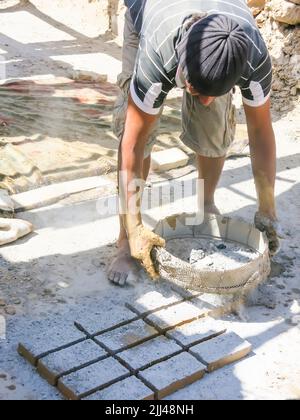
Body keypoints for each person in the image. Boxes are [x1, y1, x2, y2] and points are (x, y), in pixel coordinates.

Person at [108, 0, 281, 287]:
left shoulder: (252, 54)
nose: (203, 100)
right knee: (141, 135)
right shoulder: (156, 56)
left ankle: (206, 202)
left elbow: (260, 132)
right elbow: (133, 145)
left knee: (213, 122)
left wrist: (267, 209)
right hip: (151, 17)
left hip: (212, 34)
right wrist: (136, 227)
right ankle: (125, 241)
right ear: (182, 73)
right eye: (196, 91)